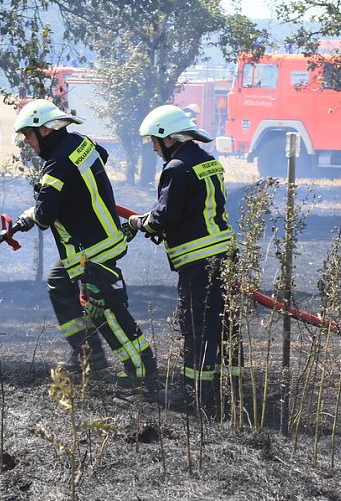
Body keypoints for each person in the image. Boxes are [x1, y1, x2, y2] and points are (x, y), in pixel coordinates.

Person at [13, 98, 157, 388]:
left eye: (28, 134)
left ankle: (141, 370)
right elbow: (101, 155)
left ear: (45, 130)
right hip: (103, 237)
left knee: (105, 310)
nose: (27, 141)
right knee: (59, 282)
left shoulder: (56, 167)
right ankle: (86, 351)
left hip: (89, 249)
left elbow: (44, 217)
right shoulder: (81, 142)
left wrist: (31, 214)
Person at [127, 104, 241, 409]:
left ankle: (195, 394)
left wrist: (139, 223)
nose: (153, 148)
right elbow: (191, 208)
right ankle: (233, 391)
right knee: (226, 324)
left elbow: (164, 216)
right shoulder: (208, 161)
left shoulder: (176, 167)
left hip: (198, 260)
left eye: (154, 140)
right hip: (225, 255)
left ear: (168, 137)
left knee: (197, 326)